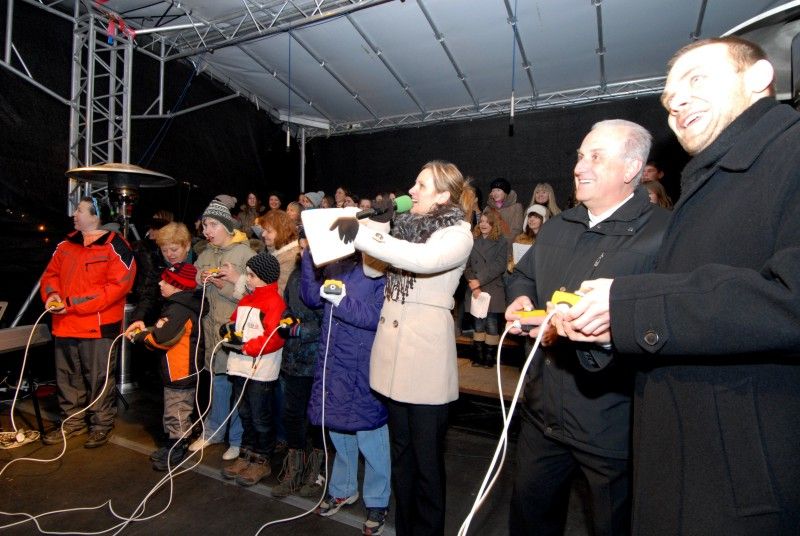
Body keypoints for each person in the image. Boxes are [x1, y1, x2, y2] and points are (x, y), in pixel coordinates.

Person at [559, 37, 800, 534]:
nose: (676, 102)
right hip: (680, 466)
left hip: (738, 487)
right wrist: (603, 327)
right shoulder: (709, 182)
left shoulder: (789, 156)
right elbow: (690, 310)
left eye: (696, 80)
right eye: (668, 97)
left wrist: (629, 307)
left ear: (758, 78)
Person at [505, 119, 670, 536]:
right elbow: (523, 275)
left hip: (610, 427)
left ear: (632, 168)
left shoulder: (661, 234)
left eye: (596, 156)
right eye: (580, 156)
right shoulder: (560, 225)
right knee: (529, 521)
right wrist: (520, 298)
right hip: (541, 414)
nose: (580, 166)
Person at [332, 160, 474, 536]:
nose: (411, 191)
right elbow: (373, 271)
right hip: (393, 356)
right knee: (403, 457)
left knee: (427, 463)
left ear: (444, 195)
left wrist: (363, 235)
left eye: (421, 185)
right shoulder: (404, 230)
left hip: (424, 359)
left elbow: (422, 261)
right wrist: (377, 222)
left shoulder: (458, 233)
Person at [300, 250, 391, 535]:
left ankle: (377, 500)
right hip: (334, 361)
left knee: (371, 435)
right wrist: (309, 258)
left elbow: (378, 317)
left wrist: (342, 301)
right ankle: (343, 488)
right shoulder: (335, 263)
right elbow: (312, 298)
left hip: (363, 364)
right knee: (339, 430)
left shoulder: (382, 267)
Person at [40, 196, 137, 448]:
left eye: (80, 210)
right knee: (67, 378)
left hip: (97, 326)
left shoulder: (117, 246)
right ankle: (72, 423)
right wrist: (52, 294)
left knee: (98, 379)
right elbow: (50, 275)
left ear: (96, 216)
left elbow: (117, 288)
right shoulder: (65, 245)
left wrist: (72, 303)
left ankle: (101, 425)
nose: (75, 214)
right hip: (64, 324)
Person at [189, 200, 255, 461]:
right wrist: (201, 278)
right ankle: (214, 431)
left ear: (227, 226)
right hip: (211, 330)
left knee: (237, 385)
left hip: (235, 331)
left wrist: (226, 283)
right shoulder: (206, 253)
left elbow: (254, 293)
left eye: (213, 224)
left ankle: (237, 439)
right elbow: (194, 276)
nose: (208, 230)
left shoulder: (243, 254)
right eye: (205, 225)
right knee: (217, 383)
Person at [219, 252, 286, 486]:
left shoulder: (275, 302)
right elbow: (234, 321)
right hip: (239, 367)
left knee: (260, 416)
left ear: (265, 278)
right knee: (244, 412)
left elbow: (275, 337)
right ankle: (247, 452)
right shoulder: (246, 300)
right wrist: (227, 332)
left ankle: (262, 458)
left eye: (251, 275)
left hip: (260, 369)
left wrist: (248, 346)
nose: (247, 279)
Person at [129, 262, 202, 471]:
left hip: (180, 370)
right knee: (175, 408)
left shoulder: (179, 309)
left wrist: (139, 337)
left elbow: (162, 338)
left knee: (177, 410)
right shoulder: (176, 305)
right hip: (176, 368)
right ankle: (173, 441)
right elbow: (164, 329)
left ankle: (178, 445)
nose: (160, 283)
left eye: (166, 281)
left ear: (178, 286)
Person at [464, 209, 508, 368]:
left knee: (491, 324)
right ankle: (478, 355)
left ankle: (490, 357)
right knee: (478, 324)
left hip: (492, 287)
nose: (483, 224)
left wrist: (479, 281)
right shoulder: (472, 240)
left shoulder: (502, 241)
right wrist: (473, 283)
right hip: (474, 288)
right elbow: (466, 266)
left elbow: (499, 266)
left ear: (493, 224)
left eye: (487, 222)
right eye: (481, 221)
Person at [257, 209, 300, 296]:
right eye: (263, 230)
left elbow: (281, 294)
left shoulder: (290, 258)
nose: (263, 234)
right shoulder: (275, 251)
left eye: (268, 231)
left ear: (282, 232)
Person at [485, 177, 524, 243]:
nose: (495, 193)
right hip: (491, 245)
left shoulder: (516, 207)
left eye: (498, 190)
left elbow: (517, 230)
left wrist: (504, 244)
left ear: (505, 192)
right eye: (493, 190)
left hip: (508, 245)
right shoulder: (488, 208)